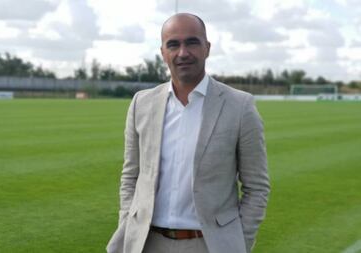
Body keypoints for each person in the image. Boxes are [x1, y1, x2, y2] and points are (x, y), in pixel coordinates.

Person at [107, 13, 270, 253]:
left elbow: (257, 187)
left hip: (208, 245)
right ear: (163, 52)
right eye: (173, 44)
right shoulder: (141, 103)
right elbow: (131, 176)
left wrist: (237, 243)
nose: (183, 52)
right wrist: (127, 224)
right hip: (146, 243)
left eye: (192, 42)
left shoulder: (240, 106)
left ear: (207, 48)